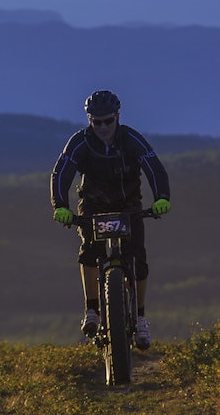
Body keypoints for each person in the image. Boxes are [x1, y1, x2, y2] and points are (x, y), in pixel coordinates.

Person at [50, 90, 172, 349]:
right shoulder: (80, 142)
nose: (103, 126)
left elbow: (154, 168)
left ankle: (140, 318)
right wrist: (60, 205)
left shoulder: (131, 139)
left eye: (108, 121)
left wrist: (162, 197)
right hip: (94, 205)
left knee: (138, 257)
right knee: (89, 252)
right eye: (97, 122)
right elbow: (61, 172)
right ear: (89, 120)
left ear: (117, 117)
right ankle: (92, 310)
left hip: (129, 205)